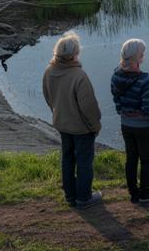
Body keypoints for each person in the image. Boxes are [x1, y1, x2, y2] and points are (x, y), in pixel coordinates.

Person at [42, 31, 103, 209]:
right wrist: (95, 126)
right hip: (82, 129)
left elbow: (48, 97)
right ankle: (84, 198)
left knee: (67, 160)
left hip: (62, 124)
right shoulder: (79, 75)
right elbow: (89, 107)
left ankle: (70, 195)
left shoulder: (49, 71)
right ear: (75, 53)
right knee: (84, 162)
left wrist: (57, 113)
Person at [111, 38, 149, 205]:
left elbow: (117, 101)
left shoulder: (116, 76)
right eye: (142, 54)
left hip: (126, 124)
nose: (144, 56)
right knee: (145, 160)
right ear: (137, 57)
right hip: (144, 126)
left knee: (131, 159)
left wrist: (124, 112)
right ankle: (145, 193)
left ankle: (133, 193)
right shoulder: (144, 80)